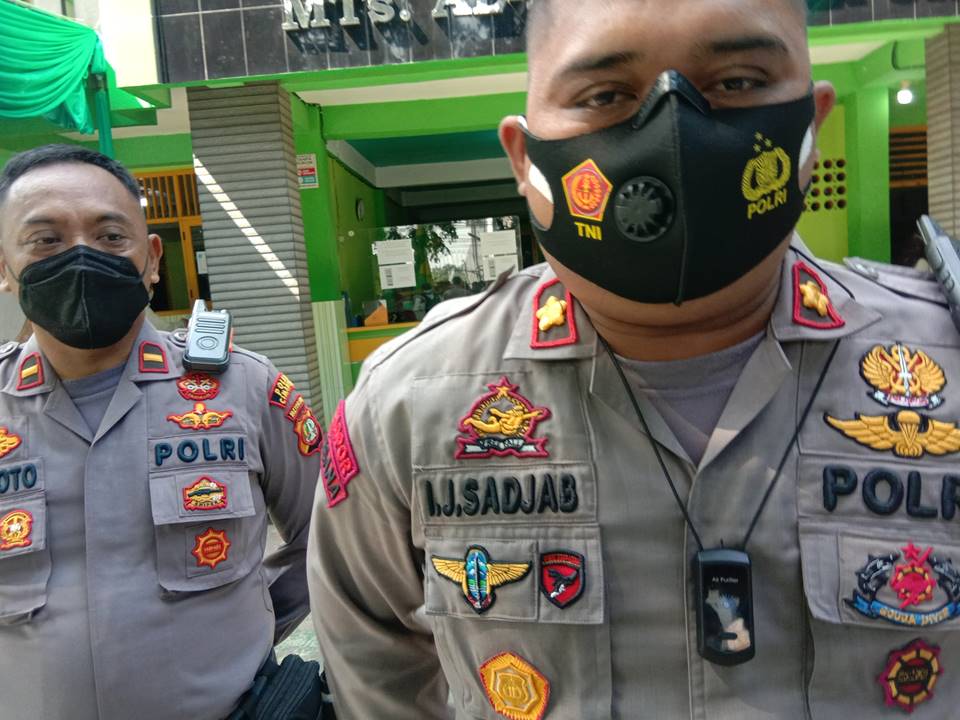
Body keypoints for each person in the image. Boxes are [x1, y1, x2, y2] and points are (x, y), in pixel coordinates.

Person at [308, 1, 960, 718]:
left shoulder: (947, 359)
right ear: (523, 157)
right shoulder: (407, 406)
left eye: (738, 82)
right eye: (605, 95)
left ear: (813, 124)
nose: (674, 126)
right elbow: (377, 674)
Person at [0, 145, 322, 720]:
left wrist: (243, 630)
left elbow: (328, 540)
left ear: (151, 259)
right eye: (46, 240)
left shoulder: (243, 387)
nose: (81, 257)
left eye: (110, 236)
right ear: (4, 266)